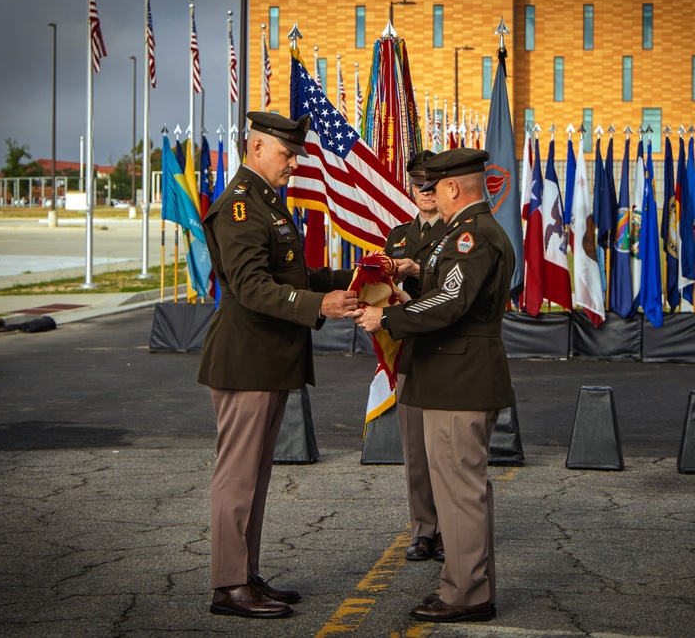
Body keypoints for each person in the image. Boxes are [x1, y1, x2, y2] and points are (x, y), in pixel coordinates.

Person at [198, 111, 360, 619]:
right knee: (238, 477)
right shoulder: (241, 208)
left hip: (266, 362)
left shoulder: (266, 204)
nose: (293, 164)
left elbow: (296, 274)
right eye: (287, 154)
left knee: (256, 477)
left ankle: (244, 574)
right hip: (247, 360)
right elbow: (250, 288)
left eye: (295, 155)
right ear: (256, 148)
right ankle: (228, 585)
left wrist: (353, 279)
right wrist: (319, 307)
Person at [359, 147, 515, 623]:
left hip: (458, 377)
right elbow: (447, 296)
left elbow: (450, 303)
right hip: (455, 375)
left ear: (452, 188)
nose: (432, 195)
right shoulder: (469, 233)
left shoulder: (471, 237)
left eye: (437, 187)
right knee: (461, 489)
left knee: (460, 491)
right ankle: (469, 588)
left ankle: (465, 595)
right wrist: (407, 298)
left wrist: (386, 314)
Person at [383, 149, 446, 562]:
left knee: (448, 450)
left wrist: (420, 274)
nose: (424, 191)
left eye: (431, 182)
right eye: (417, 182)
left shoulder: (460, 232)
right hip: (410, 352)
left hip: (446, 350)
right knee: (416, 451)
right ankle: (424, 530)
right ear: (409, 186)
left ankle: (450, 531)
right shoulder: (398, 236)